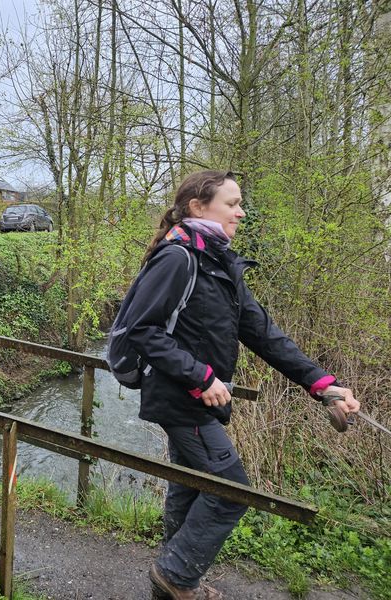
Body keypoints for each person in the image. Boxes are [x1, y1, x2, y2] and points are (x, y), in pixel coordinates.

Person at [123, 170, 359, 599]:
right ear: (198, 206)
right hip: (182, 398)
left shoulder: (216, 262)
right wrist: (202, 376)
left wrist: (324, 385)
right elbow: (142, 330)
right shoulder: (179, 258)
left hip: (197, 397)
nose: (241, 211)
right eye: (232, 203)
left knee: (192, 482)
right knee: (230, 492)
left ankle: (175, 577)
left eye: (240, 203)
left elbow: (263, 333)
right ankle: (175, 577)